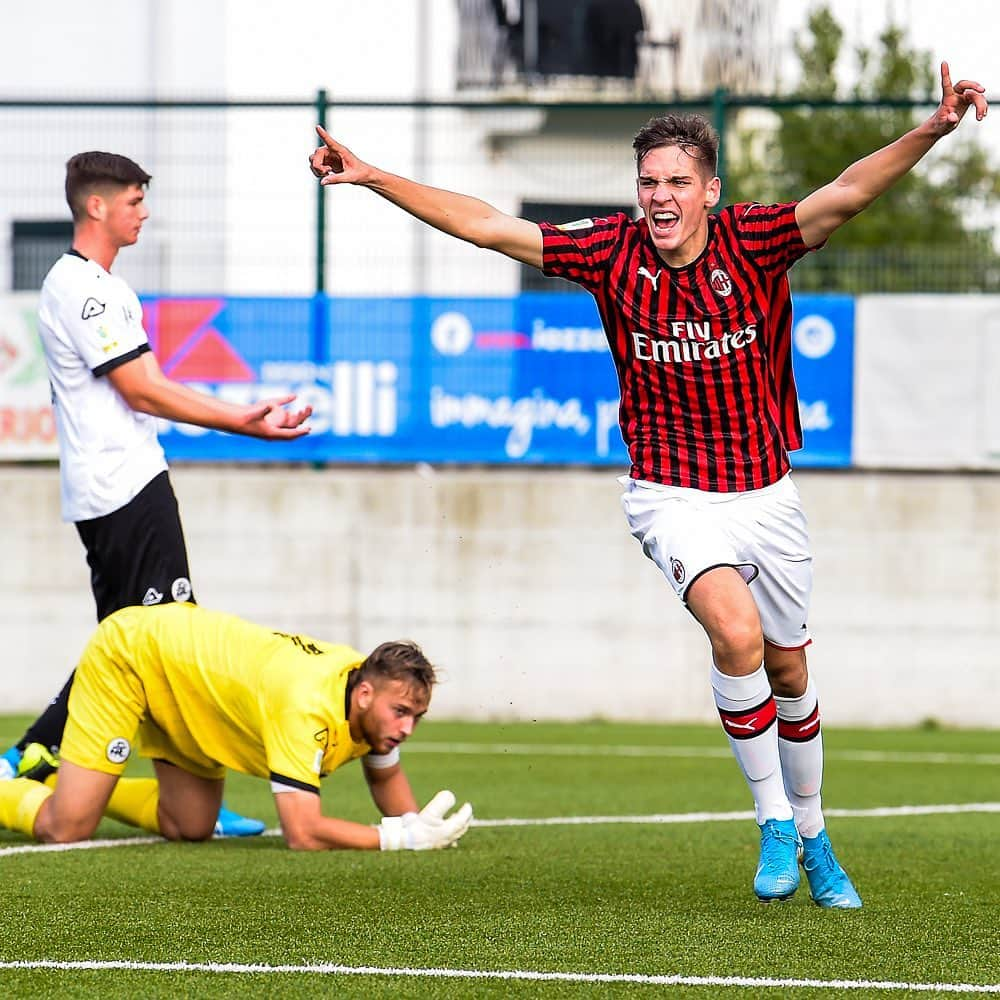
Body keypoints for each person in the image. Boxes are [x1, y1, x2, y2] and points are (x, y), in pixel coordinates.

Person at [306, 62, 987, 905]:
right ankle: (775, 821)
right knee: (733, 635)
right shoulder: (609, 251)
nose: (659, 196)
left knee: (790, 673)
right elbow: (487, 226)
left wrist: (932, 129)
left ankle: (815, 836)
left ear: (709, 190)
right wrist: (371, 175)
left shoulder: (755, 240)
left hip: (767, 495)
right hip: (671, 493)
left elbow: (845, 195)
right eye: (647, 181)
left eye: (676, 181)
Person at [0, 151, 312, 838]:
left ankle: (180, 800)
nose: (145, 213)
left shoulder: (99, 286)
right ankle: (25, 758)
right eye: (135, 201)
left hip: (116, 487)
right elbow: (141, 387)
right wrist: (243, 420)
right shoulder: (86, 290)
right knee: (157, 639)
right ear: (97, 207)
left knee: (142, 644)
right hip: (123, 490)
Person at [0, 602, 473, 850]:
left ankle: (56, 776)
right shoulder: (307, 704)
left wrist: (418, 825)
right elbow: (303, 834)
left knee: (189, 826)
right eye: (402, 713)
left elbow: (385, 772)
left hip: (190, 694)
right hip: (135, 655)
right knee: (67, 827)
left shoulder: (367, 692)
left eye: (416, 717)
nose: (407, 728)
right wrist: (397, 838)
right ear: (366, 696)